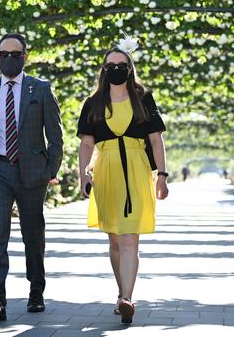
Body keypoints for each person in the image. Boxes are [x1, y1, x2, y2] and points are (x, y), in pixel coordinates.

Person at [0, 32, 63, 322]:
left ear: (25, 56)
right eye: (3, 54)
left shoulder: (41, 89)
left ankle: (36, 291)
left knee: (32, 235)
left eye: (15, 54)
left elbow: (56, 135)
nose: (8, 59)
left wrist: (51, 170)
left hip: (33, 173)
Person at [77, 42, 169, 325]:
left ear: (130, 69)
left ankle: (127, 297)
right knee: (115, 239)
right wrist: (83, 174)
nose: (116, 70)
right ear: (104, 70)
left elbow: (155, 139)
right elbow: (86, 143)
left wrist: (162, 176)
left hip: (137, 170)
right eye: (111, 66)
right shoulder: (93, 103)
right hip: (106, 172)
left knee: (130, 238)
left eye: (122, 66)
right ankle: (121, 292)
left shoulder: (143, 98)